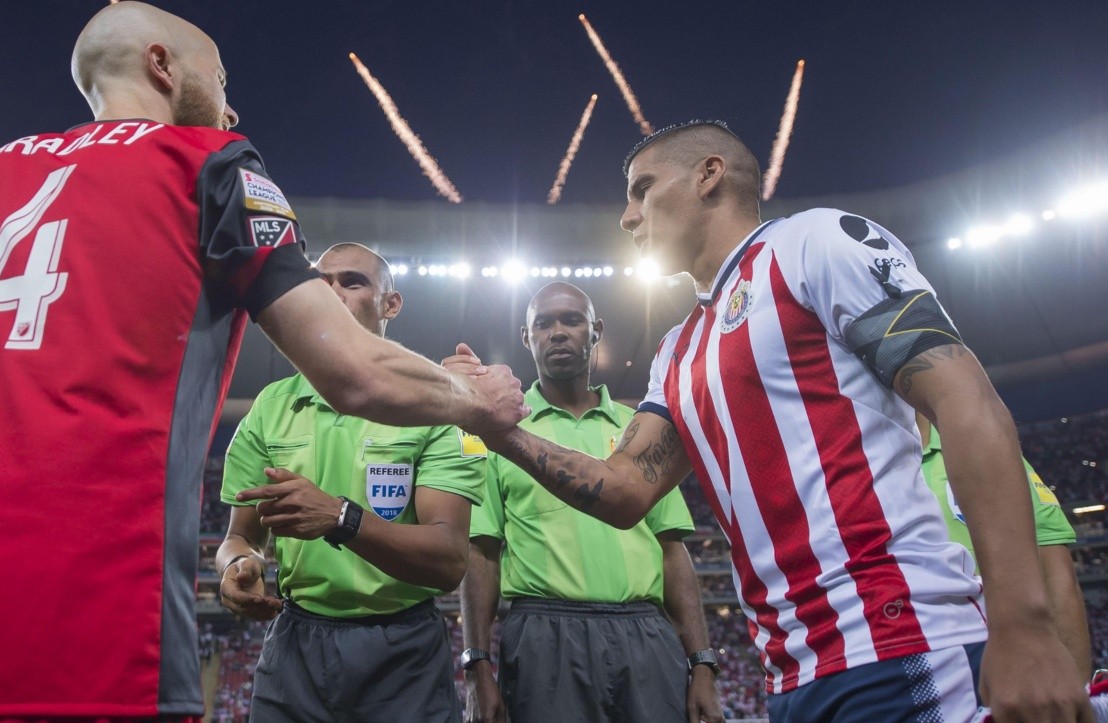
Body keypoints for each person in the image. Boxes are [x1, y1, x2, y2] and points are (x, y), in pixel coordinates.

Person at [0, 4, 526, 722]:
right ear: (162, 66)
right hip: (99, 648)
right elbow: (353, 370)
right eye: (223, 80)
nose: (231, 111)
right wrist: (471, 396)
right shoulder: (213, 167)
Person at [455, 120, 1090, 722]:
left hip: (903, 638)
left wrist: (1023, 625)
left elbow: (967, 403)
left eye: (643, 190)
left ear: (710, 175)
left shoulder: (814, 242)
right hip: (791, 673)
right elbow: (624, 492)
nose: (627, 216)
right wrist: (496, 428)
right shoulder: (677, 351)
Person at [216, 243, 485, 723]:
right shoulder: (270, 405)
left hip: (401, 649)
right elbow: (241, 536)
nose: (332, 292)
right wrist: (239, 565)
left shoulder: (437, 404)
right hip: (294, 640)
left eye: (352, 282)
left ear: (391, 304)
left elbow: (448, 561)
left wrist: (340, 518)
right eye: (321, 282)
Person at [460, 282, 723, 723]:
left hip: (646, 630)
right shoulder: (496, 431)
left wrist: (702, 662)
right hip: (544, 633)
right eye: (543, 324)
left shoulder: (642, 428)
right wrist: (476, 665)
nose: (558, 332)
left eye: (572, 320)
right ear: (527, 338)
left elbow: (672, 550)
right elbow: (480, 552)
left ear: (596, 330)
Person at [915, 413, 1091, 682]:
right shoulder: (847, 466)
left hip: (1007, 676)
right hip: (900, 671)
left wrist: (1077, 692)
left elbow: (1056, 578)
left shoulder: (983, 447)